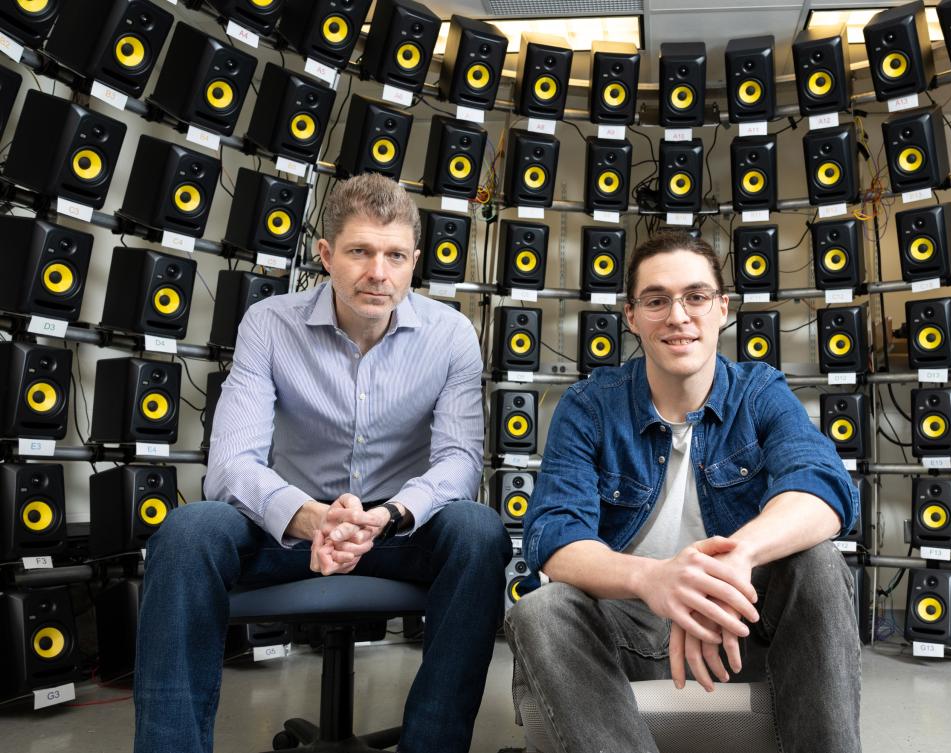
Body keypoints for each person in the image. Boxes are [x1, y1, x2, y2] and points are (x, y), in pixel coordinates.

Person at [133, 173, 510, 753]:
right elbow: (230, 464)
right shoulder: (269, 323)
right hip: (287, 529)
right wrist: (311, 518)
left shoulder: (452, 335)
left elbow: (459, 460)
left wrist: (388, 516)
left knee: (478, 531)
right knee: (187, 531)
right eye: (360, 252)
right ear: (326, 255)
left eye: (395, 256)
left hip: (396, 531)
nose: (378, 273)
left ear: (414, 261)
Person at [505, 229, 862, 753]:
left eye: (695, 296)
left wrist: (730, 565)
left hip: (737, 627)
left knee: (819, 563)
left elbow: (824, 486)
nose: (678, 316)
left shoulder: (759, 392)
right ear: (631, 316)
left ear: (722, 308)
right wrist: (655, 580)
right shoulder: (589, 406)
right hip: (632, 628)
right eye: (657, 300)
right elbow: (555, 536)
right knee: (541, 610)